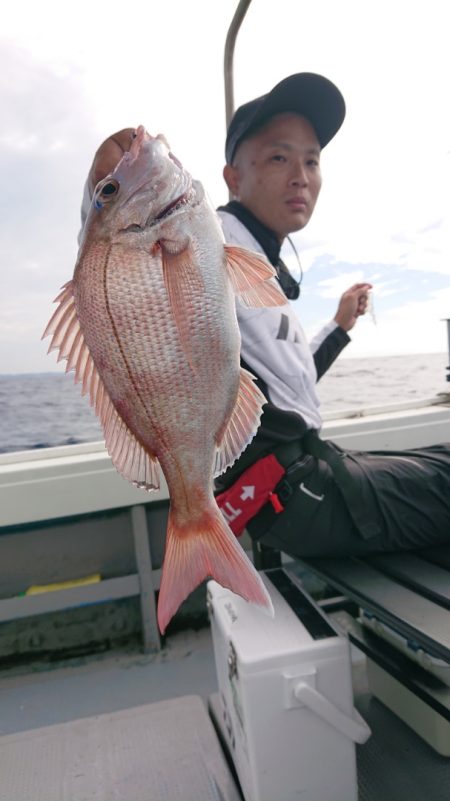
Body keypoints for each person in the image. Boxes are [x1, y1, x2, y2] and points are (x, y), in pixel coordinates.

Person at [80, 73, 450, 559]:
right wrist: (104, 188)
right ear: (232, 178)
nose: (301, 175)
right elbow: (122, 264)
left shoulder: (258, 259)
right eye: (279, 157)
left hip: (307, 471)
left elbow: (290, 384)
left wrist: (339, 328)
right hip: (293, 493)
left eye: (312, 160)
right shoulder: (212, 233)